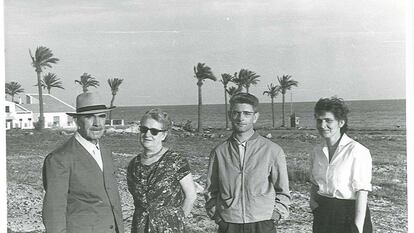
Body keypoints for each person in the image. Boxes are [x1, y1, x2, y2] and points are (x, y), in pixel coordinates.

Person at [205, 92, 291, 233]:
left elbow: (283, 191)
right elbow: (210, 190)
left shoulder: (273, 150)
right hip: (229, 224)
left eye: (246, 113)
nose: (241, 118)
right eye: (236, 113)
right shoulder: (219, 152)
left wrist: (275, 215)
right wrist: (218, 217)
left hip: (263, 223)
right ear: (230, 115)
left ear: (255, 117)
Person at [42, 92, 125, 233]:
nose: (97, 123)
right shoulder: (59, 159)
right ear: (77, 121)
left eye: (101, 116)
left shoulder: (106, 152)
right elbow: (54, 212)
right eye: (89, 117)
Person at [127, 109, 197, 233]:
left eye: (154, 131)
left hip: (169, 228)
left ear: (163, 135)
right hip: (140, 227)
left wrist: (177, 222)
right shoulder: (134, 164)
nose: (147, 134)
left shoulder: (176, 160)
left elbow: (191, 196)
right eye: (144, 129)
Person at [310, 97, 373, 233]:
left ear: (341, 122)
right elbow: (314, 183)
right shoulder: (317, 151)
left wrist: (357, 229)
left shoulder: (357, 151)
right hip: (323, 213)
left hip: (349, 214)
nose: (322, 125)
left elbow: (362, 193)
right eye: (319, 120)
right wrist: (314, 206)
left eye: (328, 120)